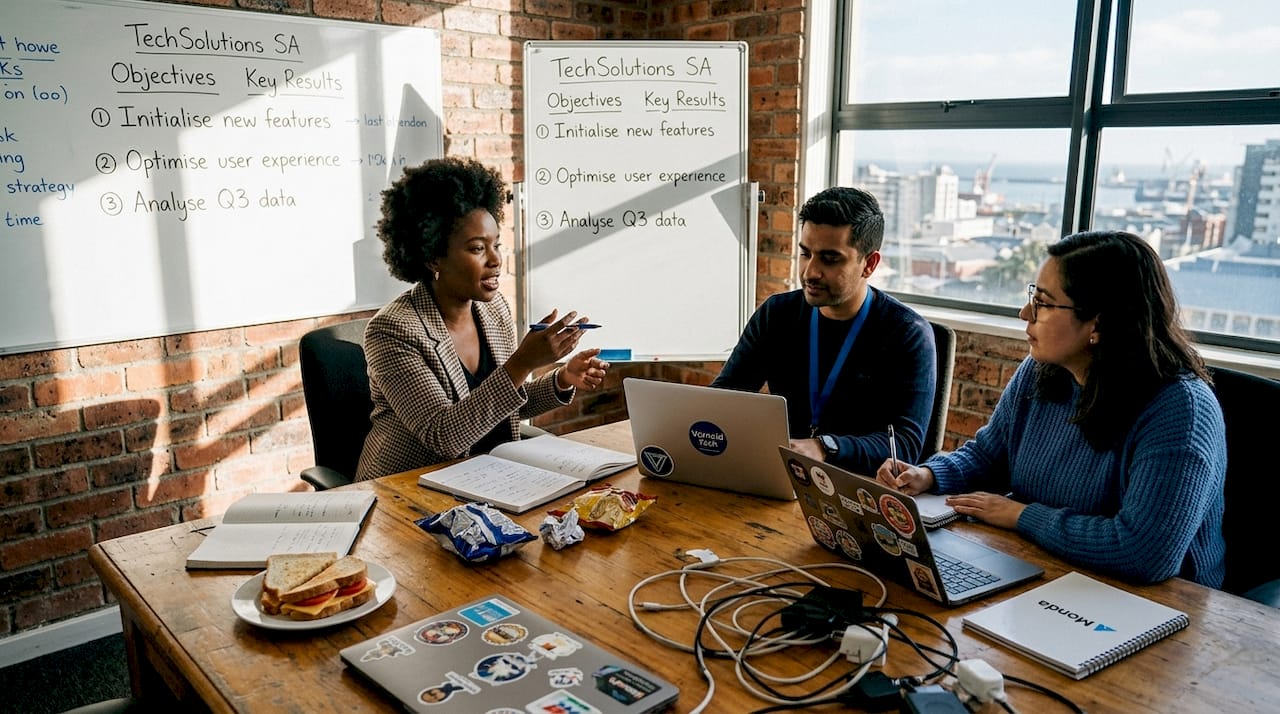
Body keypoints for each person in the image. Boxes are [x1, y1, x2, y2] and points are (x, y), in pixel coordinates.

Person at [877, 230, 1226, 587]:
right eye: (1033, 296)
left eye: (1043, 303)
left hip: (1162, 602)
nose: (1025, 312)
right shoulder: (1043, 370)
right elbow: (989, 456)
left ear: (1098, 324)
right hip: (1047, 567)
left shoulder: (1180, 410)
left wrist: (1021, 516)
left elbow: (1144, 552)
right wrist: (928, 475)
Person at [356, 157, 609, 480]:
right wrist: (523, 362)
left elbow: (502, 403)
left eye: (496, 245)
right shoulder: (392, 331)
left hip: (491, 479)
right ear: (433, 255)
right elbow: (443, 435)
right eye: (477, 248)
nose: (496, 260)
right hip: (409, 489)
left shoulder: (494, 309)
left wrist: (561, 379)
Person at [711, 186, 936, 476]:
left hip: (857, 486)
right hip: (785, 476)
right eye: (806, 254)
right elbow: (724, 398)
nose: (810, 272)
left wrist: (824, 447)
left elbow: (904, 446)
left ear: (869, 264)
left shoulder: (908, 334)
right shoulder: (777, 314)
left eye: (830, 259)